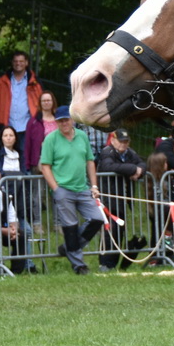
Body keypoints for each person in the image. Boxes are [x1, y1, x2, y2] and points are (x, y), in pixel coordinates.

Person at [39, 106, 104, 274]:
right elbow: (45, 166)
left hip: (82, 188)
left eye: (66, 119)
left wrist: (94, 186)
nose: (64, 123)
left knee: (97, 219)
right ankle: (79, 265)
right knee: (70, 226)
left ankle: (69, 246)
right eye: (60, 121)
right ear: (56, 122)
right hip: (63, 189)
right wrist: (56, 188)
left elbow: (90, 161)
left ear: (72, 120)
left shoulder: (82, 136)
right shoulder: (51, 139)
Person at [96, 128, 146, 269]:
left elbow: (142, 163)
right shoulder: (108, 152)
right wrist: (132, 169)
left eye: (126, 142)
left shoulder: (130, 153)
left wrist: (139, 171)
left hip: (122, 200)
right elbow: (108, 166)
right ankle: (105, 263)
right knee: (109, 231)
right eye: (121, 141)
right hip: (108, 199)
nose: (123, 144)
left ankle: (113, 263)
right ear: (113, 140)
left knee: (119, 231)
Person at [0, 51, 43, 158]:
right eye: (15, 61)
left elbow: (41, 103)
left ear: (26, 63)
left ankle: (24, 174)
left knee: (25, 157)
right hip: (7, 126)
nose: (18, 63)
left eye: (21, 61)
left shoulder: (35, 82)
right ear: (12, 63)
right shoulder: (2, 81)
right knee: (5, 156)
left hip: (27, 126)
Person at [22, 90, 61, 174]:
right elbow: (28, 144)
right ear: (40, 103)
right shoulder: (33, 121)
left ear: (53, 102)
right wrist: (27, 165)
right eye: (44, 101)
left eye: (48, 100)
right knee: (39, 187)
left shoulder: (59, 120)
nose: (46, 102)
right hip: (39, 161)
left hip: (58, 160)